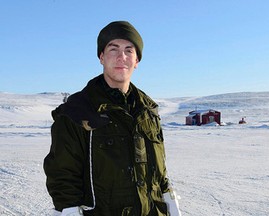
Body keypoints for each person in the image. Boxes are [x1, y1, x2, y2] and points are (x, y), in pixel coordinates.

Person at [44, 21, 181, 216]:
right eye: (113, 49)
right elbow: (62, 176)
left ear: (137, 61)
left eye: (129, 50)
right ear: (101, 57)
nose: (121, 57)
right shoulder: (77, 111)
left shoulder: (148, 111)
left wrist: (169, 202)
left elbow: (159, 171)